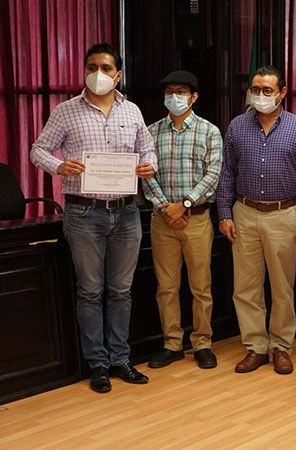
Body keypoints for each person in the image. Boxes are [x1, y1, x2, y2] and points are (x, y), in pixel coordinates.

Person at [30, 42, 157, 393]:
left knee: (121, 291)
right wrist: (59, 166)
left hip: (126, 211)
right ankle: (97, 364)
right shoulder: (66, 111)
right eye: (91, 67)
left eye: (105, 68)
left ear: (118, 75)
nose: (97, 74)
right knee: (90, 291)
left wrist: (149, 165)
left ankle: (121, 359)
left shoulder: (132, 111)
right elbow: (38, 150)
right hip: (84, 212)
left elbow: (147, 150)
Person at [217, 65, 296, 375]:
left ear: (282, 92)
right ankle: (256, 347)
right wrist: (224, 213)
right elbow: (226, 172)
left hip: (284, 214)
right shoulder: (237, 126)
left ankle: (281, 347)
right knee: (245, 287)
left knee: (283, 287)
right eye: (255, 90)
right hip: (244, 213)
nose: (260, 95)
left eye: (267, 90)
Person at [142, 70, 223, 370]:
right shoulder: (150, 132)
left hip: (197, 219)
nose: (174, 97)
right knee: (166, 287)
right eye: (169, 92)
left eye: (180, 91)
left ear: (193, 97)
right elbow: (146, 174)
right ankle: (172, 343)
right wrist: (166, 208)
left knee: (201, 286)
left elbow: (213, 175)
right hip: (162, 220)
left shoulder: (209, 132)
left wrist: (185, 204)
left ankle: (202, 342)